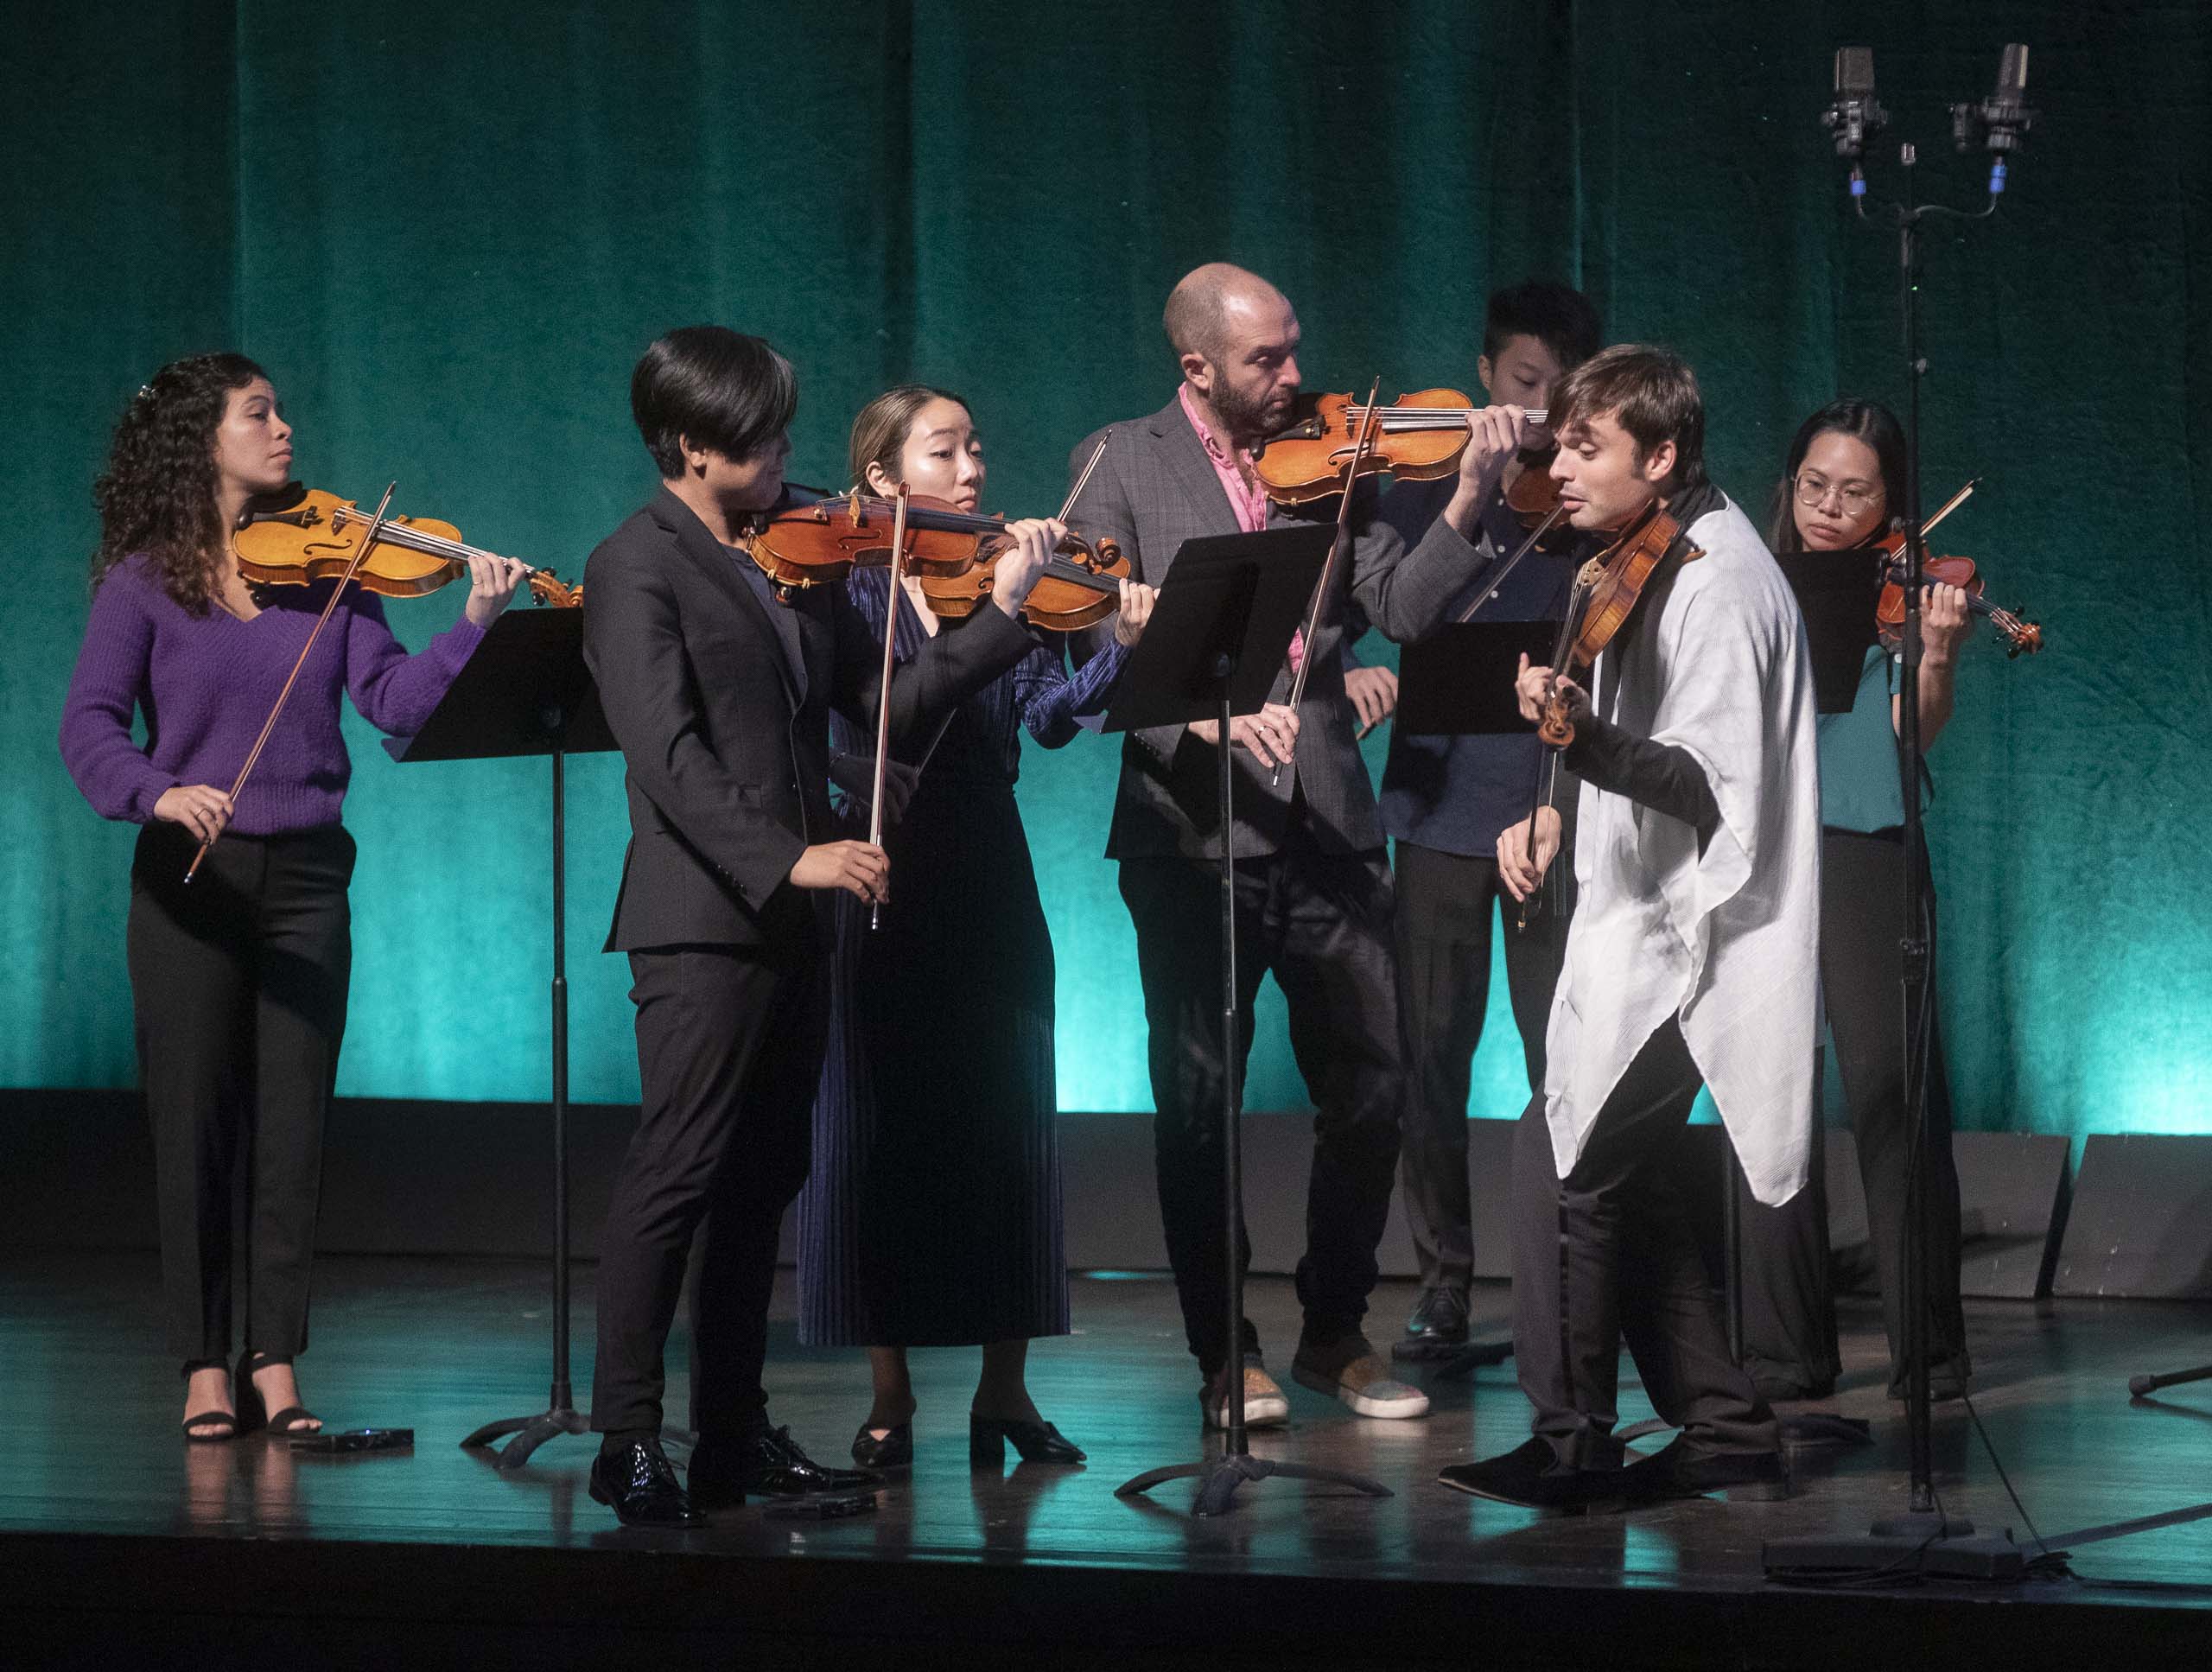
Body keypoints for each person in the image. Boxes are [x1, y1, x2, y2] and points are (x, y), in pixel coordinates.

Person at [581, 327, 1053, 1527]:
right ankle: (627, 1437)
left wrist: (1001, 618)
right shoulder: (635, 564)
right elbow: (669, 756)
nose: (788, 451)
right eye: (761, 432)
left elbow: (881, 704)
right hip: (705, 916)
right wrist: (791, 855)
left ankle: (732, 1435)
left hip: (802, 909)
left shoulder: (790, 554)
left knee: (762, 1183)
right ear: (689, 445)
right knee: (676, 1173)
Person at [1071, 262, 1531, 1430]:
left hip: (1327, 812)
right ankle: (1226, 1352)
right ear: (1197, 368)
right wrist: (1200, 713)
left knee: (1380, 1075)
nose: (1292, 377)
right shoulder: (1120, 461)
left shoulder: (1338, 461)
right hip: (1191, 829)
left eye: (1293, 350)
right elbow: (1084, 647)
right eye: (1264, 360)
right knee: (1200, 1097)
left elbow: (1410, 611)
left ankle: (1335, 1326)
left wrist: (1470, 494)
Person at [59, 353, 525, 1443]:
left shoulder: (334, 570)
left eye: (281, 408)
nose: (284, 429)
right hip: (190, 880)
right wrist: (158, 791)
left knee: (290, 1129)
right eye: (258, 413)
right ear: (199, 439)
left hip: (309, 876)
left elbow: (396, 705)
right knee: (194, 1128)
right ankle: (202, 1366)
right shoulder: (143, 580)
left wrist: (474, 625)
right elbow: (88, 726)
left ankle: (275, 1361)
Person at [1439, 344, 1820, 1509]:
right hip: (1639, 915)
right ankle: (1726, 1423)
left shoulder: (1714, 579)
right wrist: (1555, 814)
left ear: (1662, 456)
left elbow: (1704, 780)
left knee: (1563, 1158)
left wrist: (1578, 747)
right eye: (1558, 441)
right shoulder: (1638, 558)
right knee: (1623, 1168)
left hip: (1701, 934)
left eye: (1585, 446)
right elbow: (1617, 734)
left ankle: (1572, 1440)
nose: (1558, 465)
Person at [797, 385, 1155, 1471]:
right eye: (944, 451)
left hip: (988, 869)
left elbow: (1046, 721)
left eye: (976, 448)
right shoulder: (844, 586)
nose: (972, 470)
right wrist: (995, 604)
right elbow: (878, 713)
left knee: (1006, 1128)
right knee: (872, 1133)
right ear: (880, 479)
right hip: (877, 867)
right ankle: (890, 1397)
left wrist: (1119, 649)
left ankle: (1005, 1392)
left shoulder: (1008, 570)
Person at [1373, 280, 1604, 1359]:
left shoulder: (1590, 511)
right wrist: (1467, 490)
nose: (1540, 416)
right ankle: (1445, 1280)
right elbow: (1403, 614)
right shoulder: (1418, 491)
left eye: (1561, 397)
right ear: (1483, 376)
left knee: (1565, 1053)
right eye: (1522, 387)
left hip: (1548, 820)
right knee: (1430, 1060)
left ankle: (1570, 1265)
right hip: (1434, 815)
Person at [1732, 398, 1976, 1403]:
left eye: (1857, 492)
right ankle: (1789, 1351)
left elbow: (1910, 734)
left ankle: (1927, 1347)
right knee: (1765, 1088)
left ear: (1891, 502)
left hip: (1866, 841)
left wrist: (1936, 655)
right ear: (1788, 485)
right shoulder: (1741, 577)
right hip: (1757, 845)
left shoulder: (1897, 585)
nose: (1830, 509)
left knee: (1889, 1087)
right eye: (1814, 486)